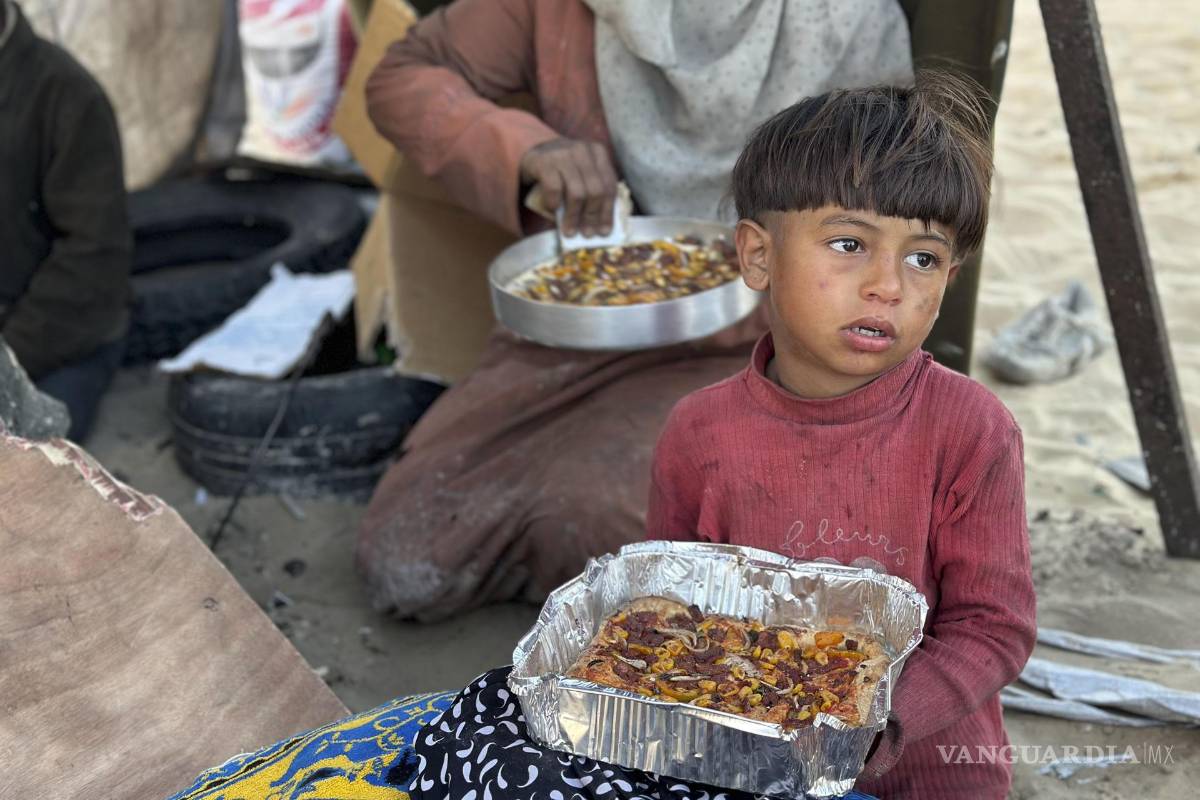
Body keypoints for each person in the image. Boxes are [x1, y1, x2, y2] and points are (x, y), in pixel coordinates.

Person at [357, 0, 1014, 620]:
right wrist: (524, 148)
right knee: (411, 559)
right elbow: (405, 78)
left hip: (764, 341)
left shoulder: (847, 20)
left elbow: (886, 222)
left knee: (620, 522)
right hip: (586, 323)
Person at [646, 75, 1036, 799]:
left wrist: (877, 719)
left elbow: (994, 626)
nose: (888, 284)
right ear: (758, 256)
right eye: (850, 243)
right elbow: (675, 615)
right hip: (751, 769)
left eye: (923, 258)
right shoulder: (699, 434)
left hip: (926, 775)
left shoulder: (970, 430)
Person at [0, 0, 132, 442]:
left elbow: (93, 263)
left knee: (27, 474)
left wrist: (8, 360)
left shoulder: (67, 97)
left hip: (52, 340)